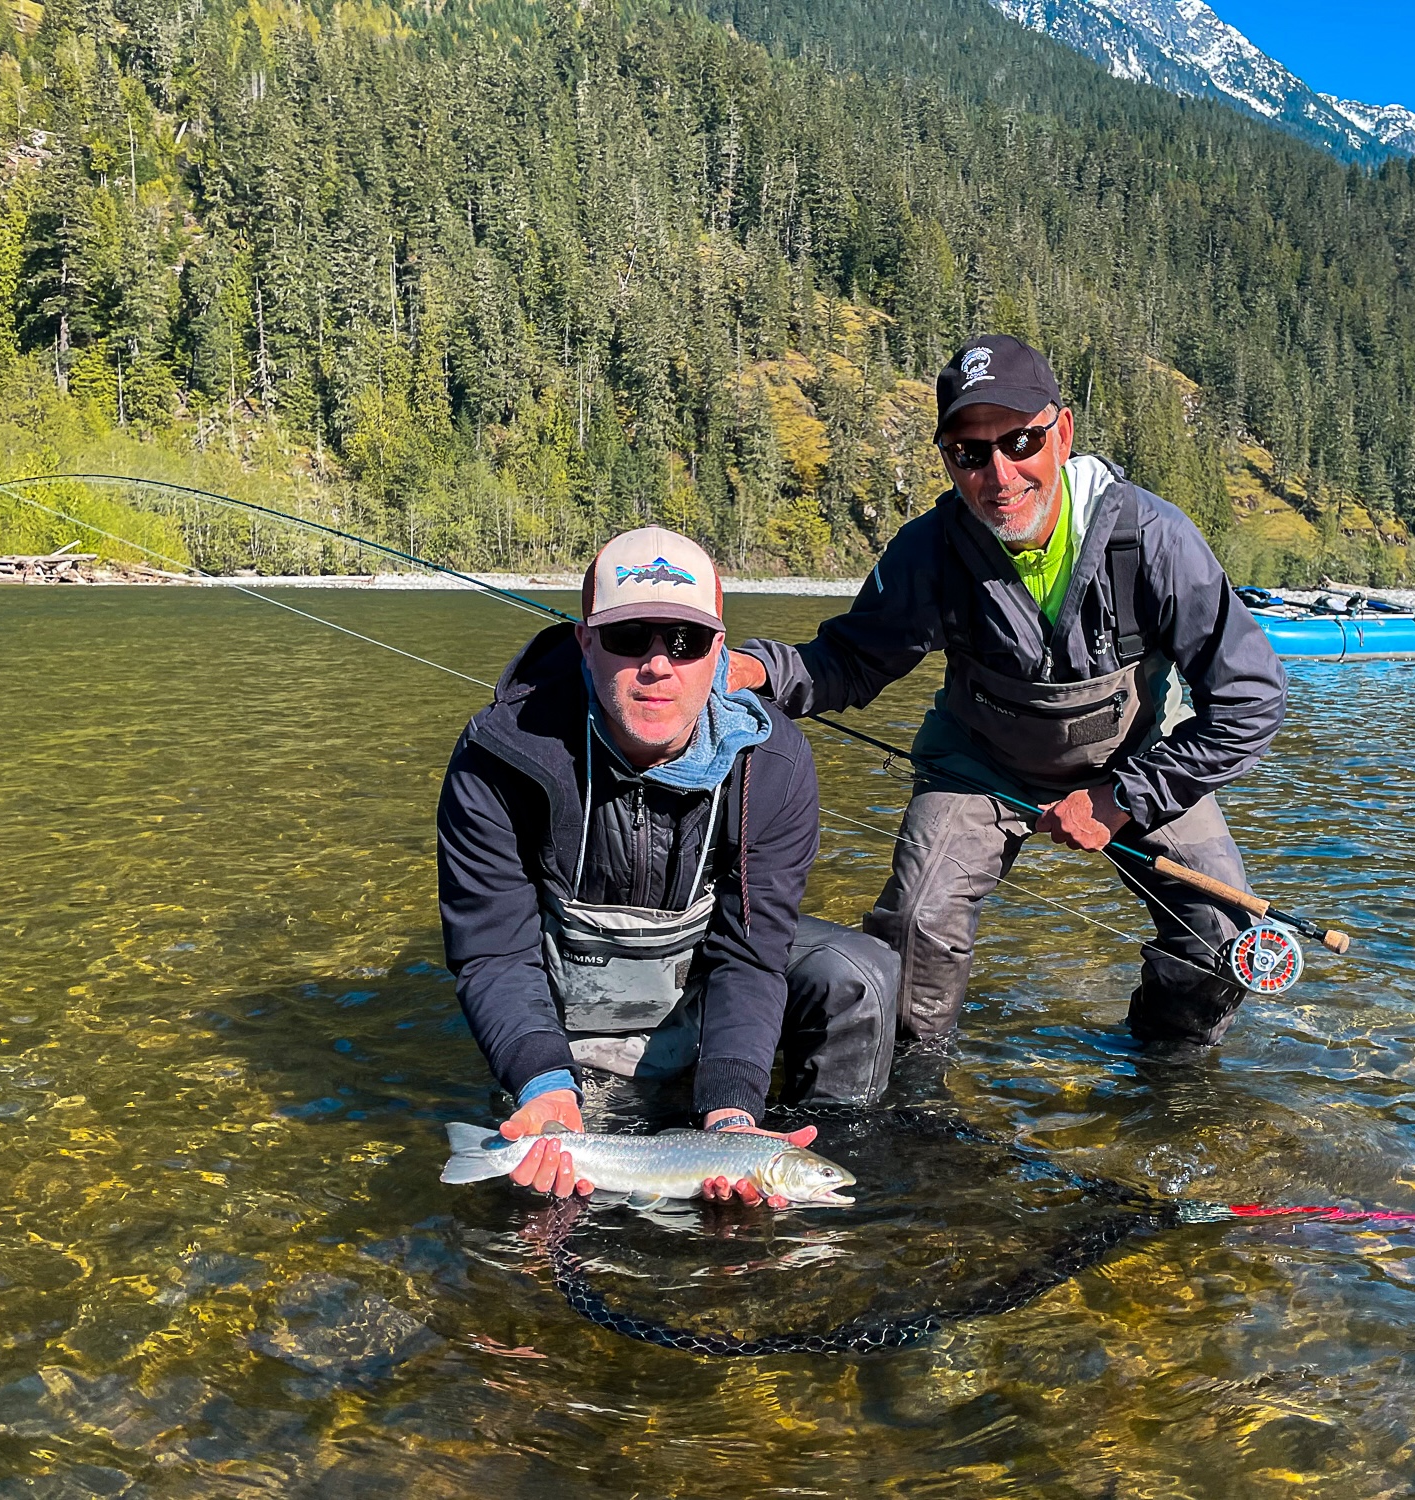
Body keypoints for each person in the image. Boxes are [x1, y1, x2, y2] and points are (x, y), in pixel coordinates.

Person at [730, 334, 1287, 1051]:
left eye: (1020, 441)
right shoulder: (930, 550)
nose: (999, 474)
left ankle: (1164, 1073)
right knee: (917, 925)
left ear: (1062, 434)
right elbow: (847, 661)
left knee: (1223, 939)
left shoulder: (1151, 538)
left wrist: (1123, 799)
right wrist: (755, 671)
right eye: (970, 452)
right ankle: (912, 1091)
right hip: (980, 767)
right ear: (948, 459)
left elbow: (1251, 700)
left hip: (1136, 765)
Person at [438, 527, 898, 1201]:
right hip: (562, 1001)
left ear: (719, 652)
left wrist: (733, 1113)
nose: (659, 664)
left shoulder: (773, 766)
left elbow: (750, 953)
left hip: (703, 973)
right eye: (631, 637)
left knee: (863, 975)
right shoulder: (500, 758)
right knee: (545, 1225)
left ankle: (827, 1153)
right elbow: (494, 953)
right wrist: (542, 1082)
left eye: (683, 641)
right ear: (585, 642)